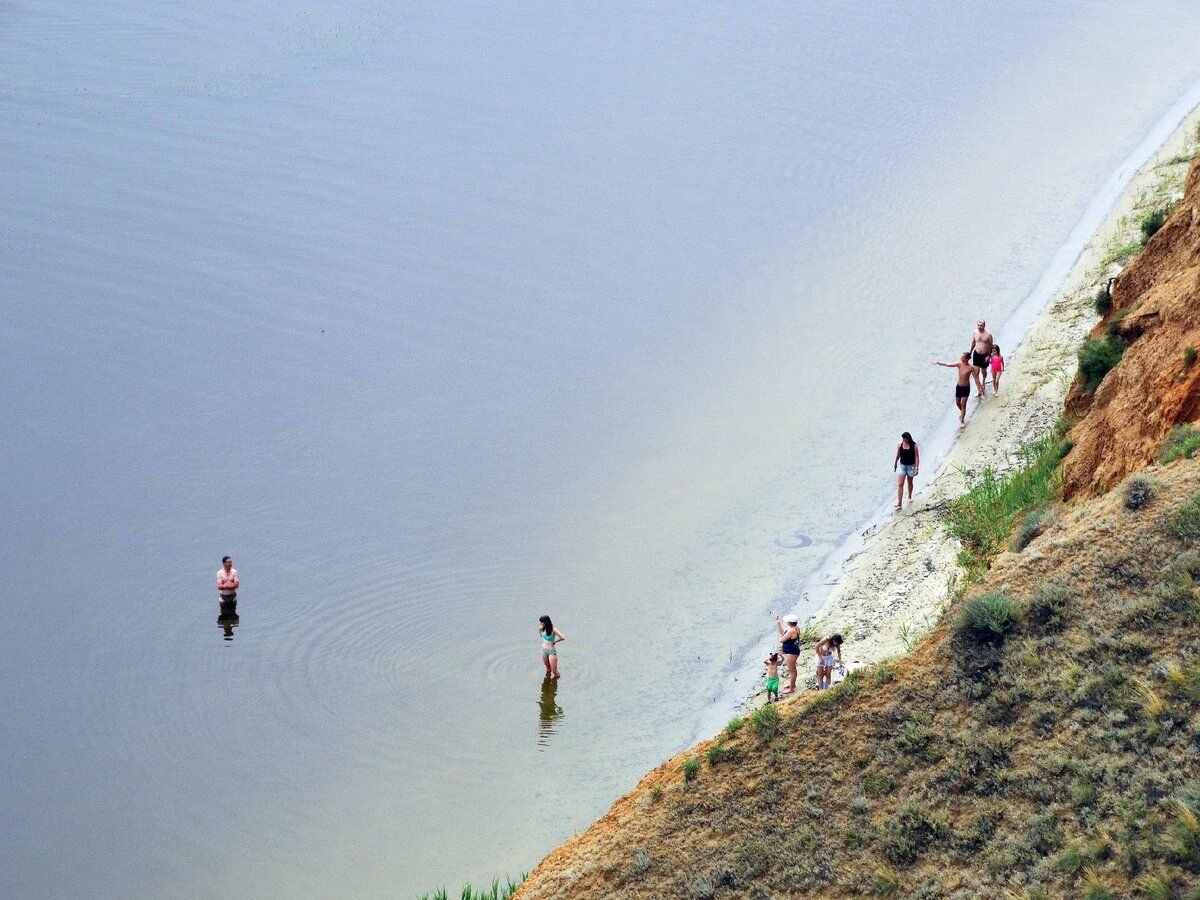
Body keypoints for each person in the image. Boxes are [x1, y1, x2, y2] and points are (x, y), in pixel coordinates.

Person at [932, 353, 976, 427]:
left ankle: (962, 420)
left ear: (967, 359)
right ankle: (962, 413)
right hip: (959, 387)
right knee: (958, 403)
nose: (961, 358)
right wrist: (939, 363)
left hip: (966, 388)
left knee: (963, 404)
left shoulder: (971, 368)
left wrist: (980, 387)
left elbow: (976, 378)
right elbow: (948, 364)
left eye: (963, 357)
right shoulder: (959, 364)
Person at [774, 614, 801, 694]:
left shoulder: (792, 630)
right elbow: (783, 632)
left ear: (790, 622)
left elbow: (782, 640)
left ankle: (792, 688)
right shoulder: (792, 628)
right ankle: (792, 684)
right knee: (792, 669)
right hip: (791, 651)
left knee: (792, 670)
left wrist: (780, 638)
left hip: (792, 652)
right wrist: (778, 623)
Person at [892, 432, 920, 509]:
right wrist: (895, 463)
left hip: (911, 466)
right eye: (903, 438)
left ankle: (909, 496)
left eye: (905, 438)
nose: (904, 440)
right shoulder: (900, 445)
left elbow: (917, 457)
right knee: (900, 484)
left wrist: (916, 468)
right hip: (902, 466)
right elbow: (898, 455)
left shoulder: (914, 446)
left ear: (908, 438)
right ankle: (899, 502)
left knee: (909, 482)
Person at [969, 320, 994, 397]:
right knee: (975, 373)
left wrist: (989, 356)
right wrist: (970, 352)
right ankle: (979, 389)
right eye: (978, 325)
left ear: (984, 326)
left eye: (981, 325)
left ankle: (983, 382)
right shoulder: (975, 332)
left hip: (985, 355)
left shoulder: (988, 334)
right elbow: (973, 342)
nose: (980, 327)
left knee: (983, 372)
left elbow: (991, 346)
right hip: (976, 354)